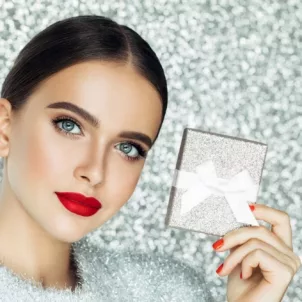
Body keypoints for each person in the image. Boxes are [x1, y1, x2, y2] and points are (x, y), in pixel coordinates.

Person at [0, 14, 300, 302]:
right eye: (69, 125)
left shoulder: (169, 292)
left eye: (128, 147)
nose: (95, 171)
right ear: (4, 128)